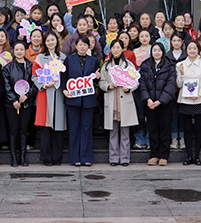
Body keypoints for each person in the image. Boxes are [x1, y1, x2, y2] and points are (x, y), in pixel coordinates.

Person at [99, 39, 139, 167]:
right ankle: (114, 158)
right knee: (113, 132)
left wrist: (129, 88)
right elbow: (101, 82)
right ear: (110, 49)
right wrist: (108, 86)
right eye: (113, 47)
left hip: (124, 101)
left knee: (125, 132)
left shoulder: (128, 65)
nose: (115, 50)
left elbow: (136, 81)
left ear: (122, 49)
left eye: (118, 47)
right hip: (112, 101)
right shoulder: (106, 65)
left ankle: (125, 158)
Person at [62, 35, 100, 167]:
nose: (82, 47)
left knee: (87, 128)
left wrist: (98, 77)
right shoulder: (69, 59)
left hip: (88, 99)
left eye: (85, 45)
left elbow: (96, 80)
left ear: (89, 46)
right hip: (73, 99)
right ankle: (74, 157)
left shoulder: (94, 60)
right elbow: (64, 77)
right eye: (80, 44)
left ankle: (86, 157)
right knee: (74, 128)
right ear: (76, 46)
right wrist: (64, 90)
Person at [138, 42, 177, 166]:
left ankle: (163, 155)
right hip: (150, 103)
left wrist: (160, 101)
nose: (157, 52)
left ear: (163, 52)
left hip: (164, 103)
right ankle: (154, 154)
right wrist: (148, 99)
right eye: (154, 50)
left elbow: (171, 84)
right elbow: (142, 84)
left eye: (159, 50)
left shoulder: (169, 65)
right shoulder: (145, 65)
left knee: (164, 129)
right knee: (152, 129)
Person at [32, 31, 67, 166]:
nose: (51, 42)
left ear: (57, 41)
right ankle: (46, 157)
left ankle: (57, 157)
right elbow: (35, 76)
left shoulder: (63, 57)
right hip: (45, 94)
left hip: (59, 94)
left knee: (59, 127)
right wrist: (44, 84)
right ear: (44, 43)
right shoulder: (40, 58)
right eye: (48, 40)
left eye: (53, 40)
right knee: (45, 128)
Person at [177, 40, 201, 166]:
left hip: (200, 99)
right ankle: (188, 156)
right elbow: (178, 84)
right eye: (189, 48)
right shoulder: (180, 64)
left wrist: (198, 93)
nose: (192, 50)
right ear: (186, 50)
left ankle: (197, 156)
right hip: (185, 100)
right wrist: (181, 73)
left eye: (194, 48)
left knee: (198, 129)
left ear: (198, 50)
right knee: (186, 129)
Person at [3, 41, 37, 167]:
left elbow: (35, 84)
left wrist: (27, 95)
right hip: (11, 104)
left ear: (25, 50)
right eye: (16, 49)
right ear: (13, 51)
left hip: (27, 103)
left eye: (21, 49)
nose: (19, 52)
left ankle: (22, 157)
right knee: (13, 130)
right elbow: (6, 86)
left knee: (23, 130)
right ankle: (13, 157)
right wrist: (14, 100)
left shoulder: (30, 65)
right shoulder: (8, 67)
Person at [166, 32, 187, 150]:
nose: (176, 43)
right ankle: (174, 138)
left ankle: (182, 138)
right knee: (173, 115)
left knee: (183, 114)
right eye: (174, 40)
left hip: (185, 89)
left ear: (182, 42)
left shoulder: (187, 55)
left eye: (179, 40)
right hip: (171, 90)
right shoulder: (167, 56)